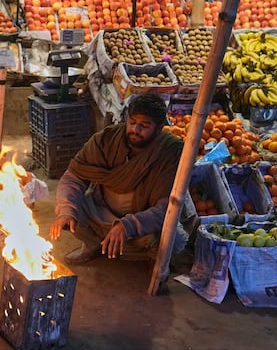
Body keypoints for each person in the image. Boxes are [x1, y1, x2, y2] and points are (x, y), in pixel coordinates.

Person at [49, 93, 191, 264]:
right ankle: (93, 245)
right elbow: (74, 177)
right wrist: (66, 209)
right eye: (132, 123)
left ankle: (152, 263)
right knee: (69, 211)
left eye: (144, 126)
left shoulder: (171, 151)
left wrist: (127, 225)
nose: (135, 130)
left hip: (141, 218)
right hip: (102, 211)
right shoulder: (106, 139)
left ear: (159, 127)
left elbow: (167, 207)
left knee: (166, 239)